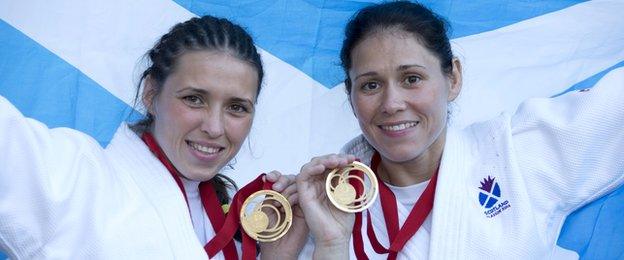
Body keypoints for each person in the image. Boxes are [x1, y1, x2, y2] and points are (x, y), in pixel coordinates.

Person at [292, 1, 624, 259]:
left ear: (453, 79)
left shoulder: (514, 153)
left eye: (412, 79)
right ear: (351, 96)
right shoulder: (326, 202)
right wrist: (332, 246)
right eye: (371, 85)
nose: (391, 103)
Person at [0, 15, 295, 259]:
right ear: (151, 94)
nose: (215, 127)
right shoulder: (79, 177)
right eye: (194, 99)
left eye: (236, 107)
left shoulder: (246, 223)